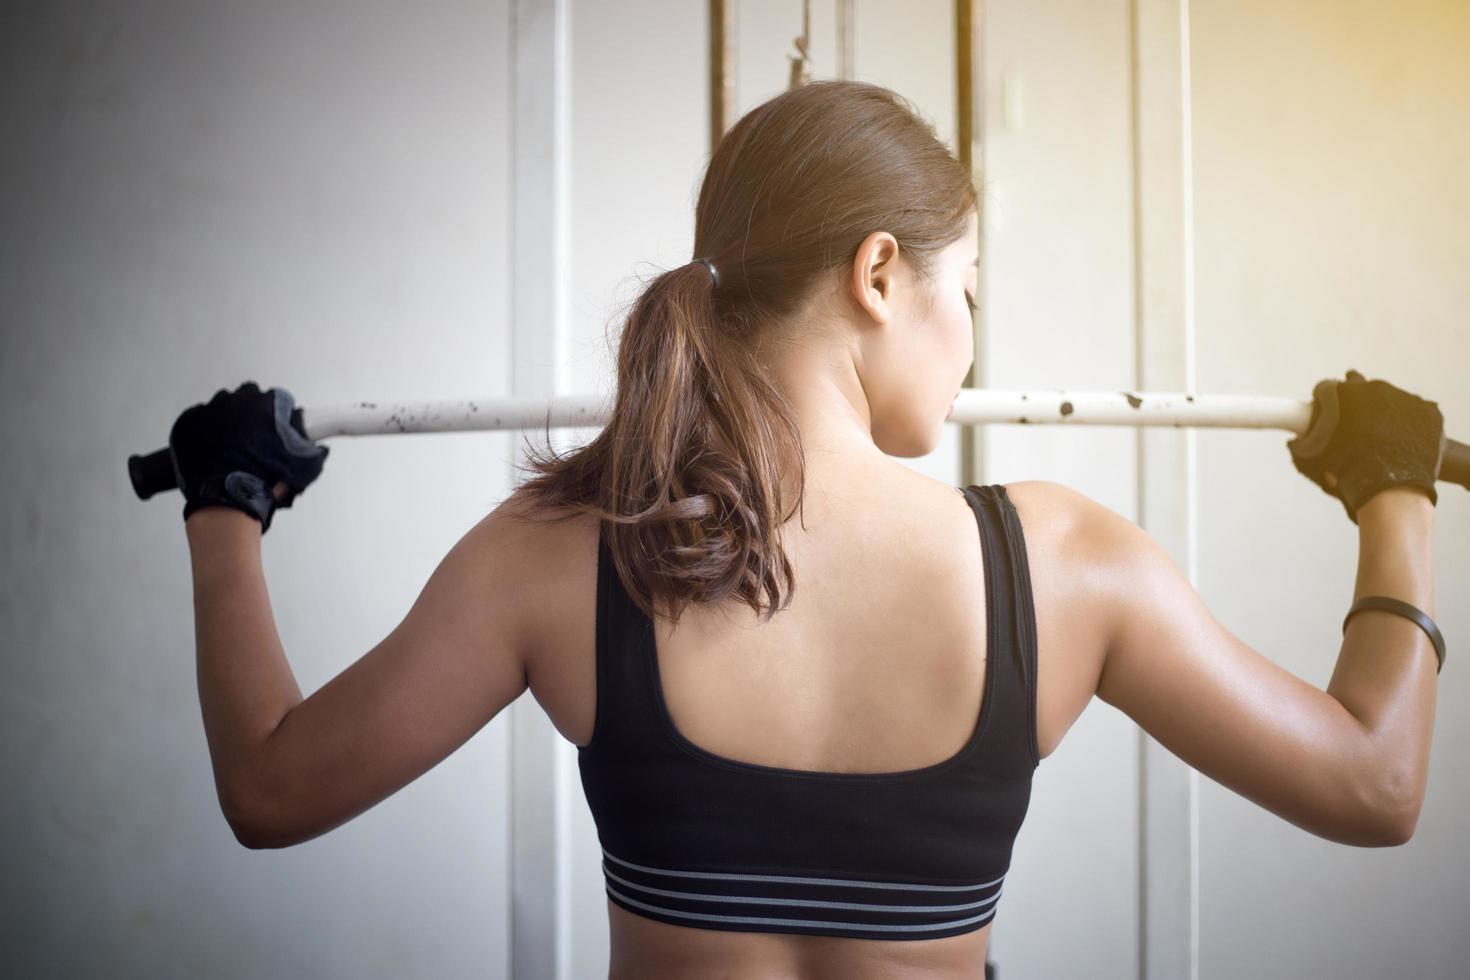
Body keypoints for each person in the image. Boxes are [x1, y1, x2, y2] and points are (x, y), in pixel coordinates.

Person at [174, 80, 1445, 980]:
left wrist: (227, 502)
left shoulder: (565, 550)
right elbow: (1375, 782)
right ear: (880, 273)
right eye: (970, 289)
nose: (972, 337)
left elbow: (272, 787)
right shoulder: (1062, 569)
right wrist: (1394, 494)